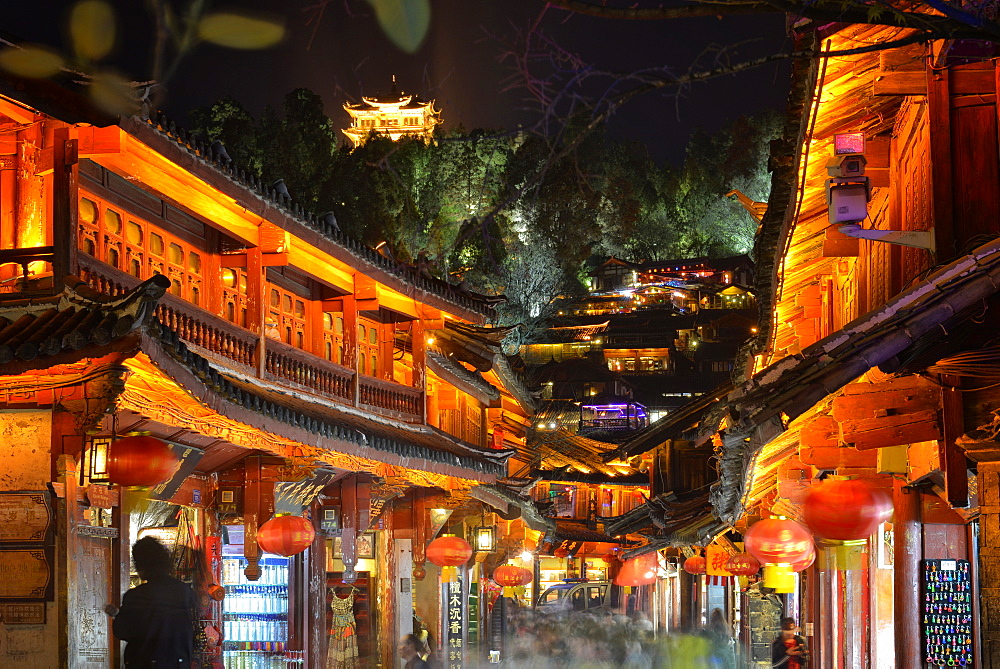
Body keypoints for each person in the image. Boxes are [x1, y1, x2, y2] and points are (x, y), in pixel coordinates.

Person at [105, 537, 196, 668]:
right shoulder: (184, 591)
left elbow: (123, 631)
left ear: (142, 564)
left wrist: (117, 615)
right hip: (178, 663)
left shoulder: (136, 595)